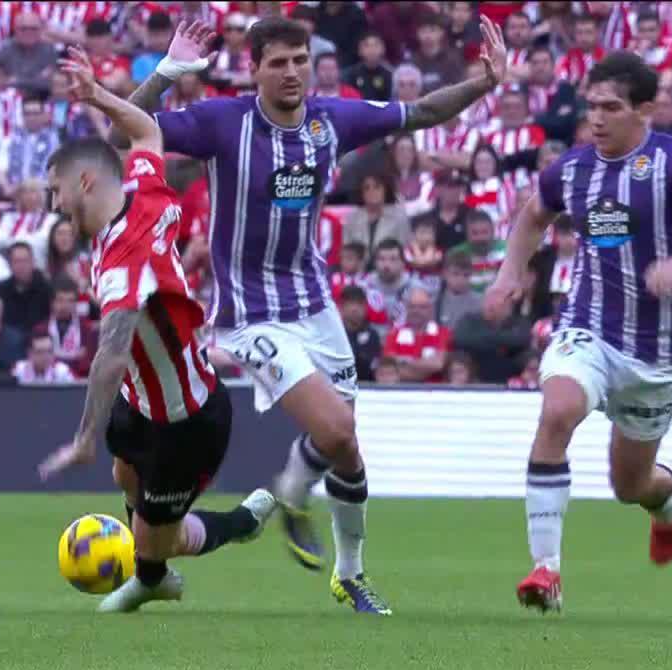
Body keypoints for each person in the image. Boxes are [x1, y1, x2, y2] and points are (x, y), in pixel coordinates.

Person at [122, 16, 507, 614]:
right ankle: (290, 492)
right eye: (277, 62)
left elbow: (423, 112)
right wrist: (169, 71)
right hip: (251, 315)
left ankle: (349, 574)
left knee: (347, 450)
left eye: (299, 59)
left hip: (315, 306)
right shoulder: (224, 123)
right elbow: (130, 130)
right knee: (332, 431)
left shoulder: (335, 119)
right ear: (253, 70)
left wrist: (483, 83)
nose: (292, 72)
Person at [485, 51, 672, 613]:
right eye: (591, 106)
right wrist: (509, 275)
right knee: (556, 414)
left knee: (630, 485)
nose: (596, 119)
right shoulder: (572, 169)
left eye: (611, 107)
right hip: (588, 329)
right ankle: (546, 571)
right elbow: (532, 216)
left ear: (645, 110)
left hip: (655, 353)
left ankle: (667, 499)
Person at [37, 48, 277, 614]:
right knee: (124, 471)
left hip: (186, 420)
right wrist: (101, 94)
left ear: (87, 182)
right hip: (141, 403)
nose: (53, 205)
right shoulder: (141, 187)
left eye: (56, 192)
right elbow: (144, 130)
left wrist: (82, 437)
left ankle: (237, 524)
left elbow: (112, 355)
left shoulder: (125, 260)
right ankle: (150, 573)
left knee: (158, 542)